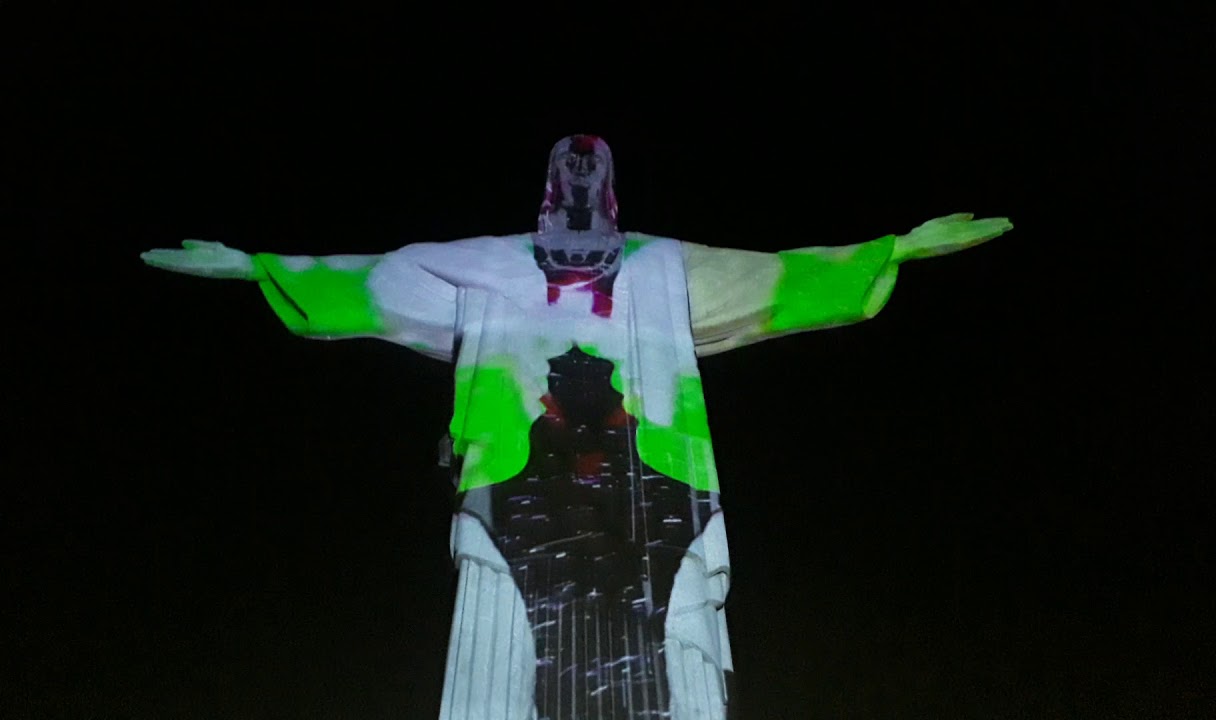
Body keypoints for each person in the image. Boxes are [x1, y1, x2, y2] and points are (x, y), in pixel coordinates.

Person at [142, 134, 1012, 719]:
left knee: (671, 661)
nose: (582, 187)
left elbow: (776, 282)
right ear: (550, 188)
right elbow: (366, 281)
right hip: (516, 503)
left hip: (653, 504)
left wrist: (890, 250)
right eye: (570, 171)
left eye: (594, 172)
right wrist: (255, 266)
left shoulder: (661, 265)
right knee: (504, 667)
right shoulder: (482, 266)